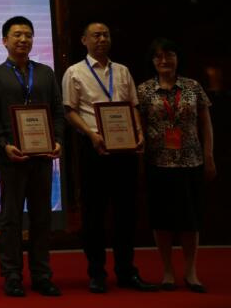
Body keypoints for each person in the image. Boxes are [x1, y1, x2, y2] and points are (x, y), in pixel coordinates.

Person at [62, 22, 156, 293]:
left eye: (105, 35)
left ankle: (126, 271)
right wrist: (92, 135)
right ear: (84, 40)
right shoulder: (74, 72)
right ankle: (97, 273)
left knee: (126, 212)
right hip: (94, 148)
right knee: (93, 213)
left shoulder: (122, 71)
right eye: (96, 35)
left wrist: (139, 132)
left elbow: (133, 106)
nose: (102, 39)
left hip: (125, 149)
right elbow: (69, 111)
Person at [0, 16, 64, 298]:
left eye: (28, 35)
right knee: (11, 219)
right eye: (17, 35)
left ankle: (41, 275)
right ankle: (12, 275)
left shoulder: (45, 74)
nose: (23, 39)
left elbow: (58, 112)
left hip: (43, 157)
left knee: (42, 218)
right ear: (5, 40)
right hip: (11, 158)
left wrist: (58, 140)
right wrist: (4, 144)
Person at [137, 38, 216, 293]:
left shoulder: (193, 87)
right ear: (152, 61)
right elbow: (138, 127)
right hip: (157, 163)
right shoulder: (144, 90)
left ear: (177, 58)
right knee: (162, 221)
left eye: (169, 55)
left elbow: (206, 123)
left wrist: (209, 156)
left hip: (191, 161)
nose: (164, 61)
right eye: (158, 56)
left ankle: (191, 271)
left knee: (191, 220)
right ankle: (168, 271)